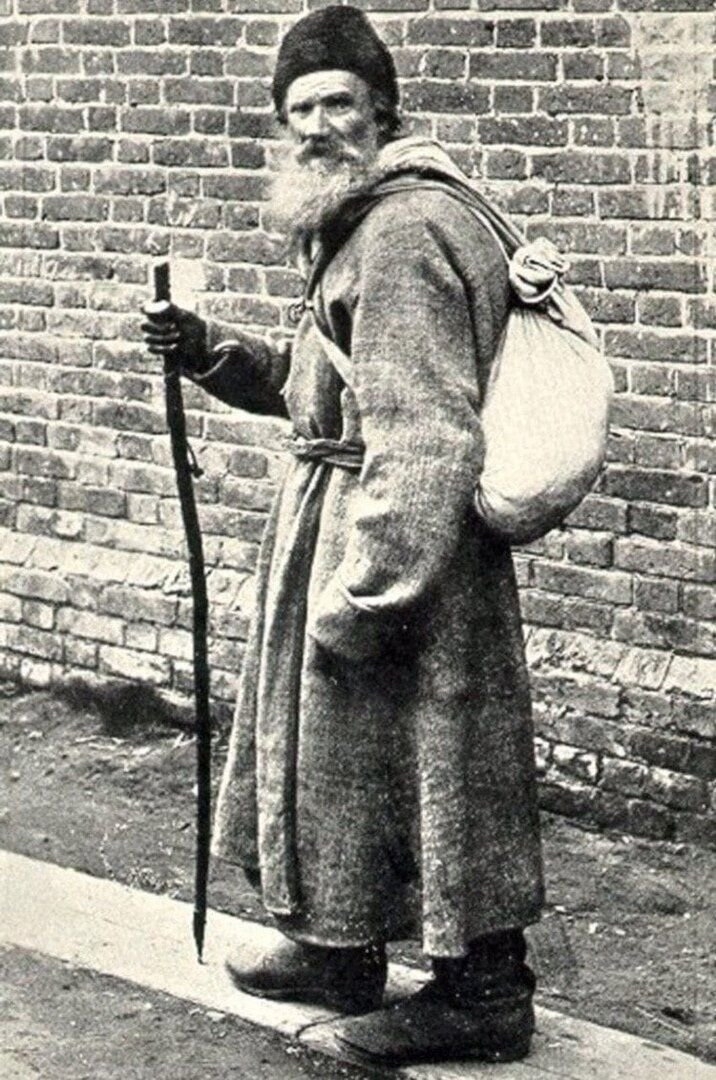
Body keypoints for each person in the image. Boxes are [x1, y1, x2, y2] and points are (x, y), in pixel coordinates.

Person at [142, 6, 546, 1066]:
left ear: (383, 111)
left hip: (407, 544)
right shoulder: (356, 223)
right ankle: (340, 950)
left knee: (441, 757)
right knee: (348, 757)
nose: (317, 127)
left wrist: (370, 594)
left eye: (338, 103)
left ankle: (483, 996)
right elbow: (317, 386)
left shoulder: (406, 231)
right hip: (357, 518)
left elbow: (425, 435)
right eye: (299, 110)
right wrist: (208, 350)